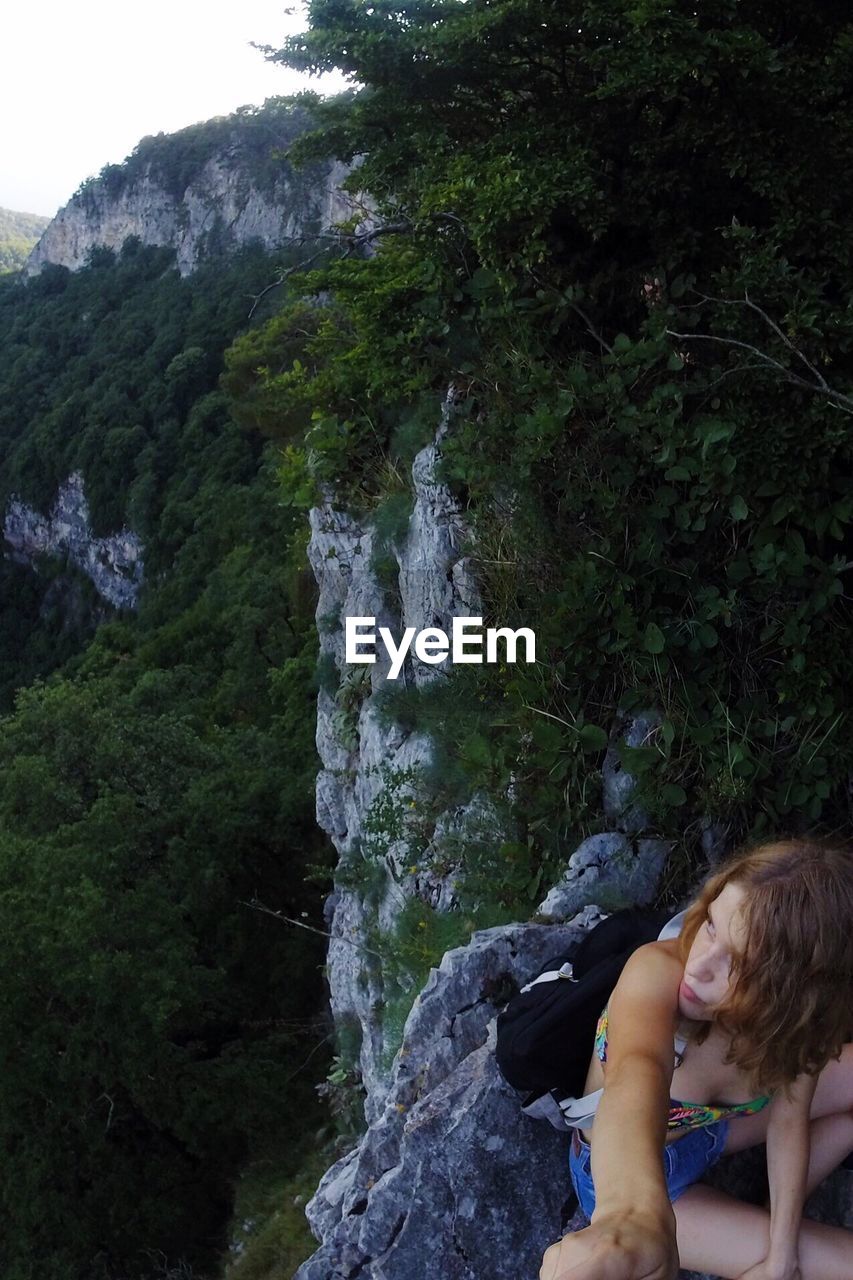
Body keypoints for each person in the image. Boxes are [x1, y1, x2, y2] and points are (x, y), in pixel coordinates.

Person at [539, 837, 853, 1280]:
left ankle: (761, 1228)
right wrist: (633, 1218)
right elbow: (636, 1071)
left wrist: (782, 1254)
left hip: (712, 1132)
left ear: (792, 995)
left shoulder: (796, 1025)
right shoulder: (655, 973)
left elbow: (788, 1118)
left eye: (739, 964)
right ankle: (748, 1238)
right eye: (710, 925)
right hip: (636, 1174)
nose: (700, 965)